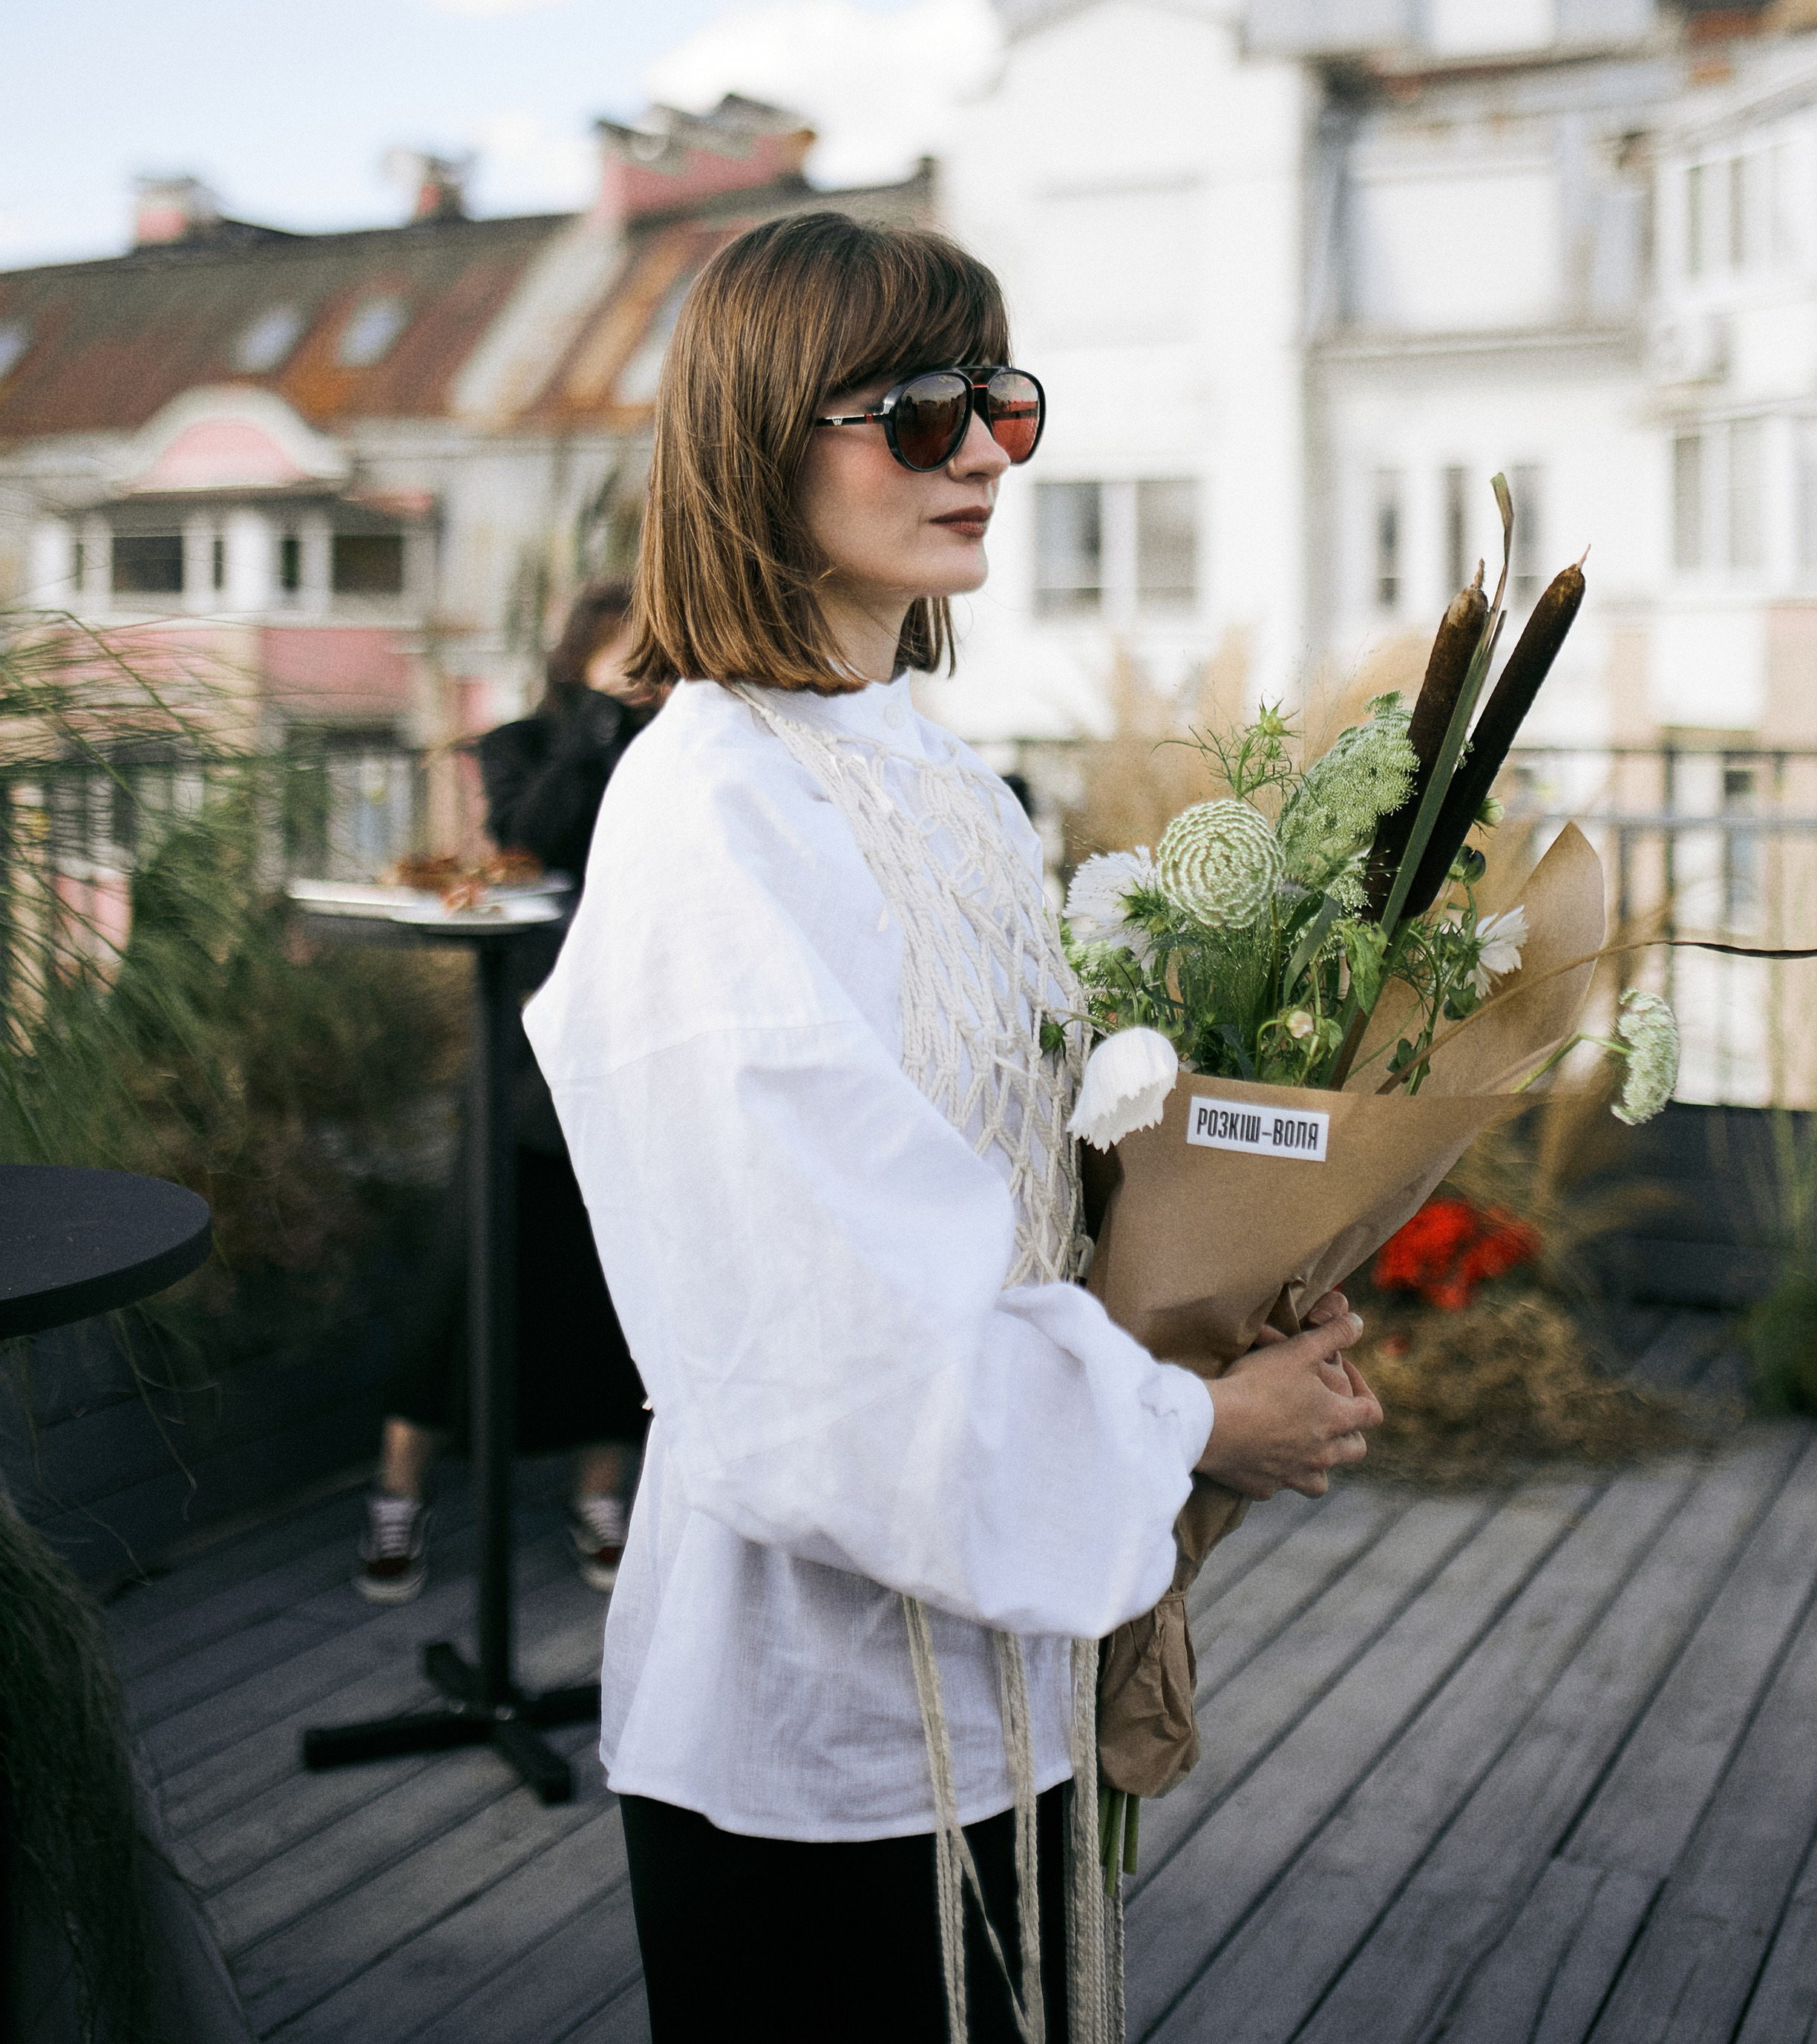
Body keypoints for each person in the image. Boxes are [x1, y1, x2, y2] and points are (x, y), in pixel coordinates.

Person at [526, 215, 1380, 2043]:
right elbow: (822, 1345)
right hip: (819, 1718)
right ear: (762, 436)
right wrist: (1195, 1418)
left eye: (997, 398)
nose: (985, 448)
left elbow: (1025, 1181)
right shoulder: (711, 809)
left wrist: (1230, 1288)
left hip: (1014, 1664)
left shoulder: (937, 770)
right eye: (915, 412)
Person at [356, 580, 661, 1605]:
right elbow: (537, 835)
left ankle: (601, 1494)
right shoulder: (524, 743)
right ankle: (397, 1488)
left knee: (618, 1274)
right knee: (467, 1264)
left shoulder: (681, 751)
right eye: (626, 650)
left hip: (643, 1048)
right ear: (582, 651)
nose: (644, 667)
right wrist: (599, 720)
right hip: (530, 1038)